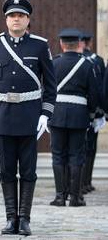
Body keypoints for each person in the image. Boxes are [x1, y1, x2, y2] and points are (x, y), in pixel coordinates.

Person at [0, 0, 56, 235]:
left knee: (28, 170)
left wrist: (45, 114)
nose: (16, 19)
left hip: (29, 116)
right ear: (6, 19)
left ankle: (24, 218)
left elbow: (51, 86)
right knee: (5, 170)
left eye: (21, 16)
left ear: (28, 19)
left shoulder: (40, 45)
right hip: (3, 116)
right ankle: (10, 218)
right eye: (12, 15)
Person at [48, 28, 98, 207]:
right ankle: (76, 198)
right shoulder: (87, 65)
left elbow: (46, 91)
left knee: (58, 155)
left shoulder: (53, 63)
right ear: (79, 44)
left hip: (57, 114)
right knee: (77, 156)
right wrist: (91, 114)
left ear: (62, 44)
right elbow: (94, 95)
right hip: (79, 115)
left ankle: (60, 197)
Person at [81, 32, 105, 194]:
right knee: (88, 148)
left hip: (77, 111)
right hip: (92, 111)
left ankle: (80, 183)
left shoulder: (62, 59)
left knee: (80, 149)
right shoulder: (97, 61)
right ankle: (85, 182)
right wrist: (101, 111)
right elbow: (101, 90)